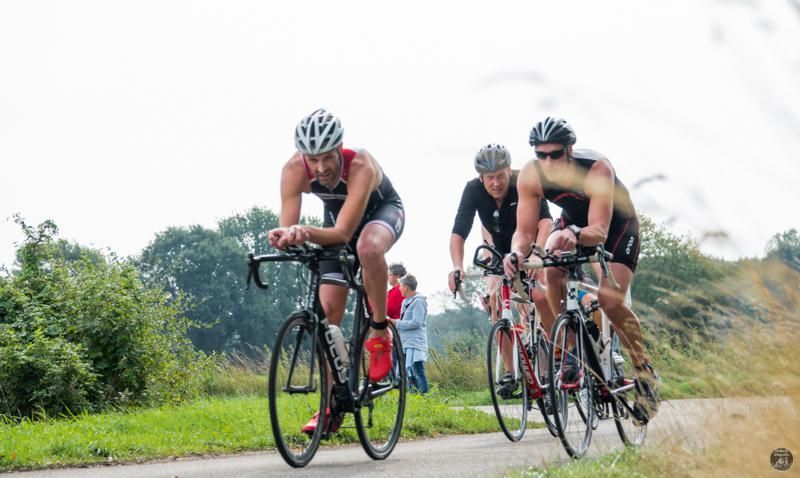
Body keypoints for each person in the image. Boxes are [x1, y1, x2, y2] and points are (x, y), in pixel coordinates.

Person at [503, 116, 659, 419]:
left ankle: (643, 368)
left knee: (611, 301)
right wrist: (515, 254)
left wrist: (573, 235)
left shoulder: (596, 169)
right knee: (550, 270)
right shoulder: (531, 175)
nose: (548, 162)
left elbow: (599, 231)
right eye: (541, 155)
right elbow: (524, 232)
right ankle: (570, 348)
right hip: (573, 224)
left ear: (570, 150)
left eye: (555, 154)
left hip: (616, 227)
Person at [267, 108, 405, 433]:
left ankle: (379, 331)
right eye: (312, 159)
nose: (320, 167)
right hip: (335, 224)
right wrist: (284, 237)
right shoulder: (293, 170)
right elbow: (289, 226)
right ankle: (331, 404)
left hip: (380, 215)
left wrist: (305, 231)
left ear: (339, 148)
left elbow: (343, 233)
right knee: (327, 318)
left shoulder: (360, 165)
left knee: (367, 248)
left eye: (328, 157)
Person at [448, 143, 555, 398]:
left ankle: (557, 354)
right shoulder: (472, 190)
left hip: (531, 248)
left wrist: (538, 255)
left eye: (500, 176)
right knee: (496, 301)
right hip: (500, 254)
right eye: (490, 178)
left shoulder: (524, 182)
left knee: (540, 297)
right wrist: (457, 266)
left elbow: (546, 222)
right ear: (481, 178)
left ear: (509, 171)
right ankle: (510, 371)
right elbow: (458, 232)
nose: (496, 183)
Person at [390, 274, 429, 394]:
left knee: (418, 371)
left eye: (401, 286)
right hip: (405, 342)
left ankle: (423, 397)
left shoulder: (418, 302)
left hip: (415, 342)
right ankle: (414, 396)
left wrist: (396, 323)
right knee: (409, 372)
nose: (400, 289)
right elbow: (405, 321)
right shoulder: (405, 302)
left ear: (406, 287)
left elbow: (417, 322)